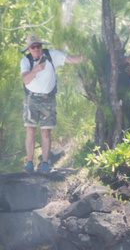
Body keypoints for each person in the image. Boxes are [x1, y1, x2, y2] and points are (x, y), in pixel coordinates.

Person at [19, 32, 84, 174]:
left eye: (38, 46)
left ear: (42, 46)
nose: (36, 49)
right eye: (33, 47)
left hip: (48, 98)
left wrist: (88, 54)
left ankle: (45, 164)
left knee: (46, 131)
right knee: (30, 130)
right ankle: (29, 163)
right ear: (29, 49)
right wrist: (36, 68)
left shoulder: (51, 55)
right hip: (31, 98)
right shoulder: (26, 61)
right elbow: (26, 80)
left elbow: (73, 59)